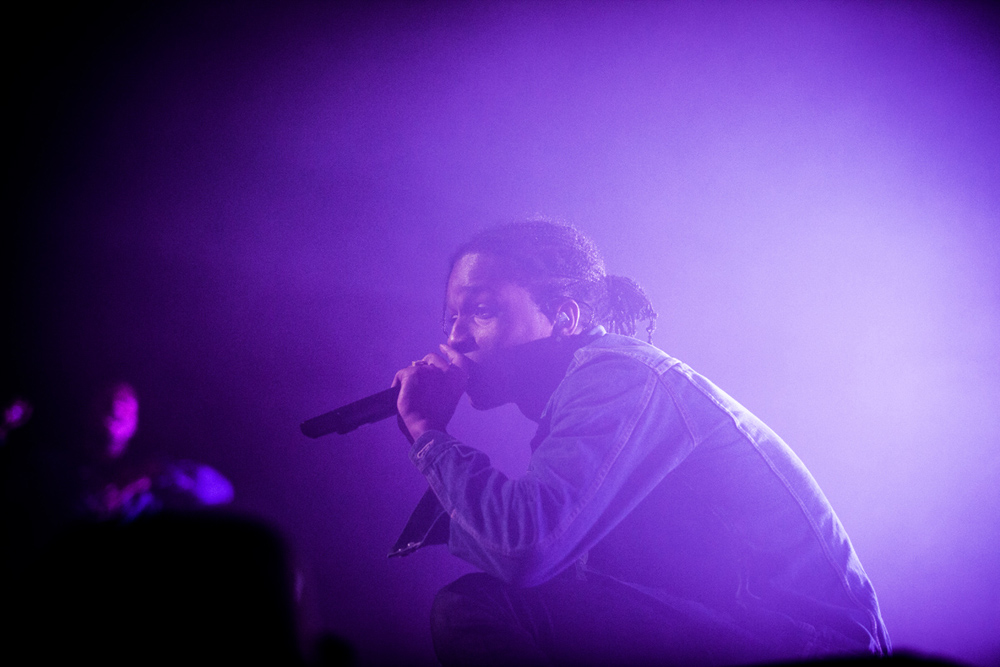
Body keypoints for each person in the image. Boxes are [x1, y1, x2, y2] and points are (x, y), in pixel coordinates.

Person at [389, 220, 890, 666]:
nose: (454, 338)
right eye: (449, 318)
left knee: (474, 607)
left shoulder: (618, 374)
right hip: (745, 633)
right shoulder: (578, 398)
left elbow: (526, 546)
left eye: (480, 310)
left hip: (801, 642)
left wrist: (429, 434)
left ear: (565, 319)